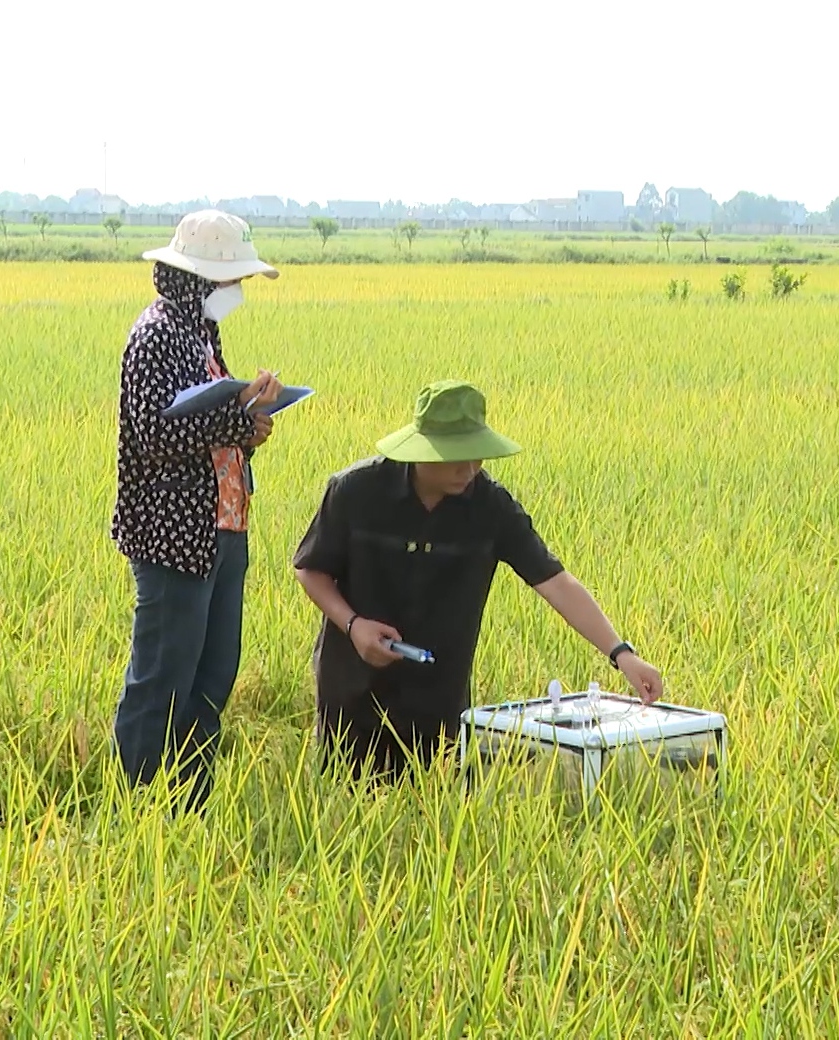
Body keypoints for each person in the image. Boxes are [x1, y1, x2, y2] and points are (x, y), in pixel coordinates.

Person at [291, 379, 665, 782]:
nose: (468, 469)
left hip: (440, 696)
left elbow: (555, 582)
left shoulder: (490, 508)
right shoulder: (355, 492)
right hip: (352, 690)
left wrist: (621, 653)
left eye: (477, 457)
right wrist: (352, 625)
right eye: (455, 457)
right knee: (347, 809)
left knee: (437, 815)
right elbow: (311, 569)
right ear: (421, 448)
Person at [110, 209, 285, 797]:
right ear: (200, 280)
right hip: (174, 532)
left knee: (213, 676)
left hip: (223, 525)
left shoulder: (201, 334)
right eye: (231, 281)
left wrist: (251, 426)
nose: (237, 292)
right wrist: (235, 418)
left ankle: (190, 802)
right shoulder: (156, 333)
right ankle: (138, 807)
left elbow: (213, 431)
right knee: (163, 677)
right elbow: (155, 434)